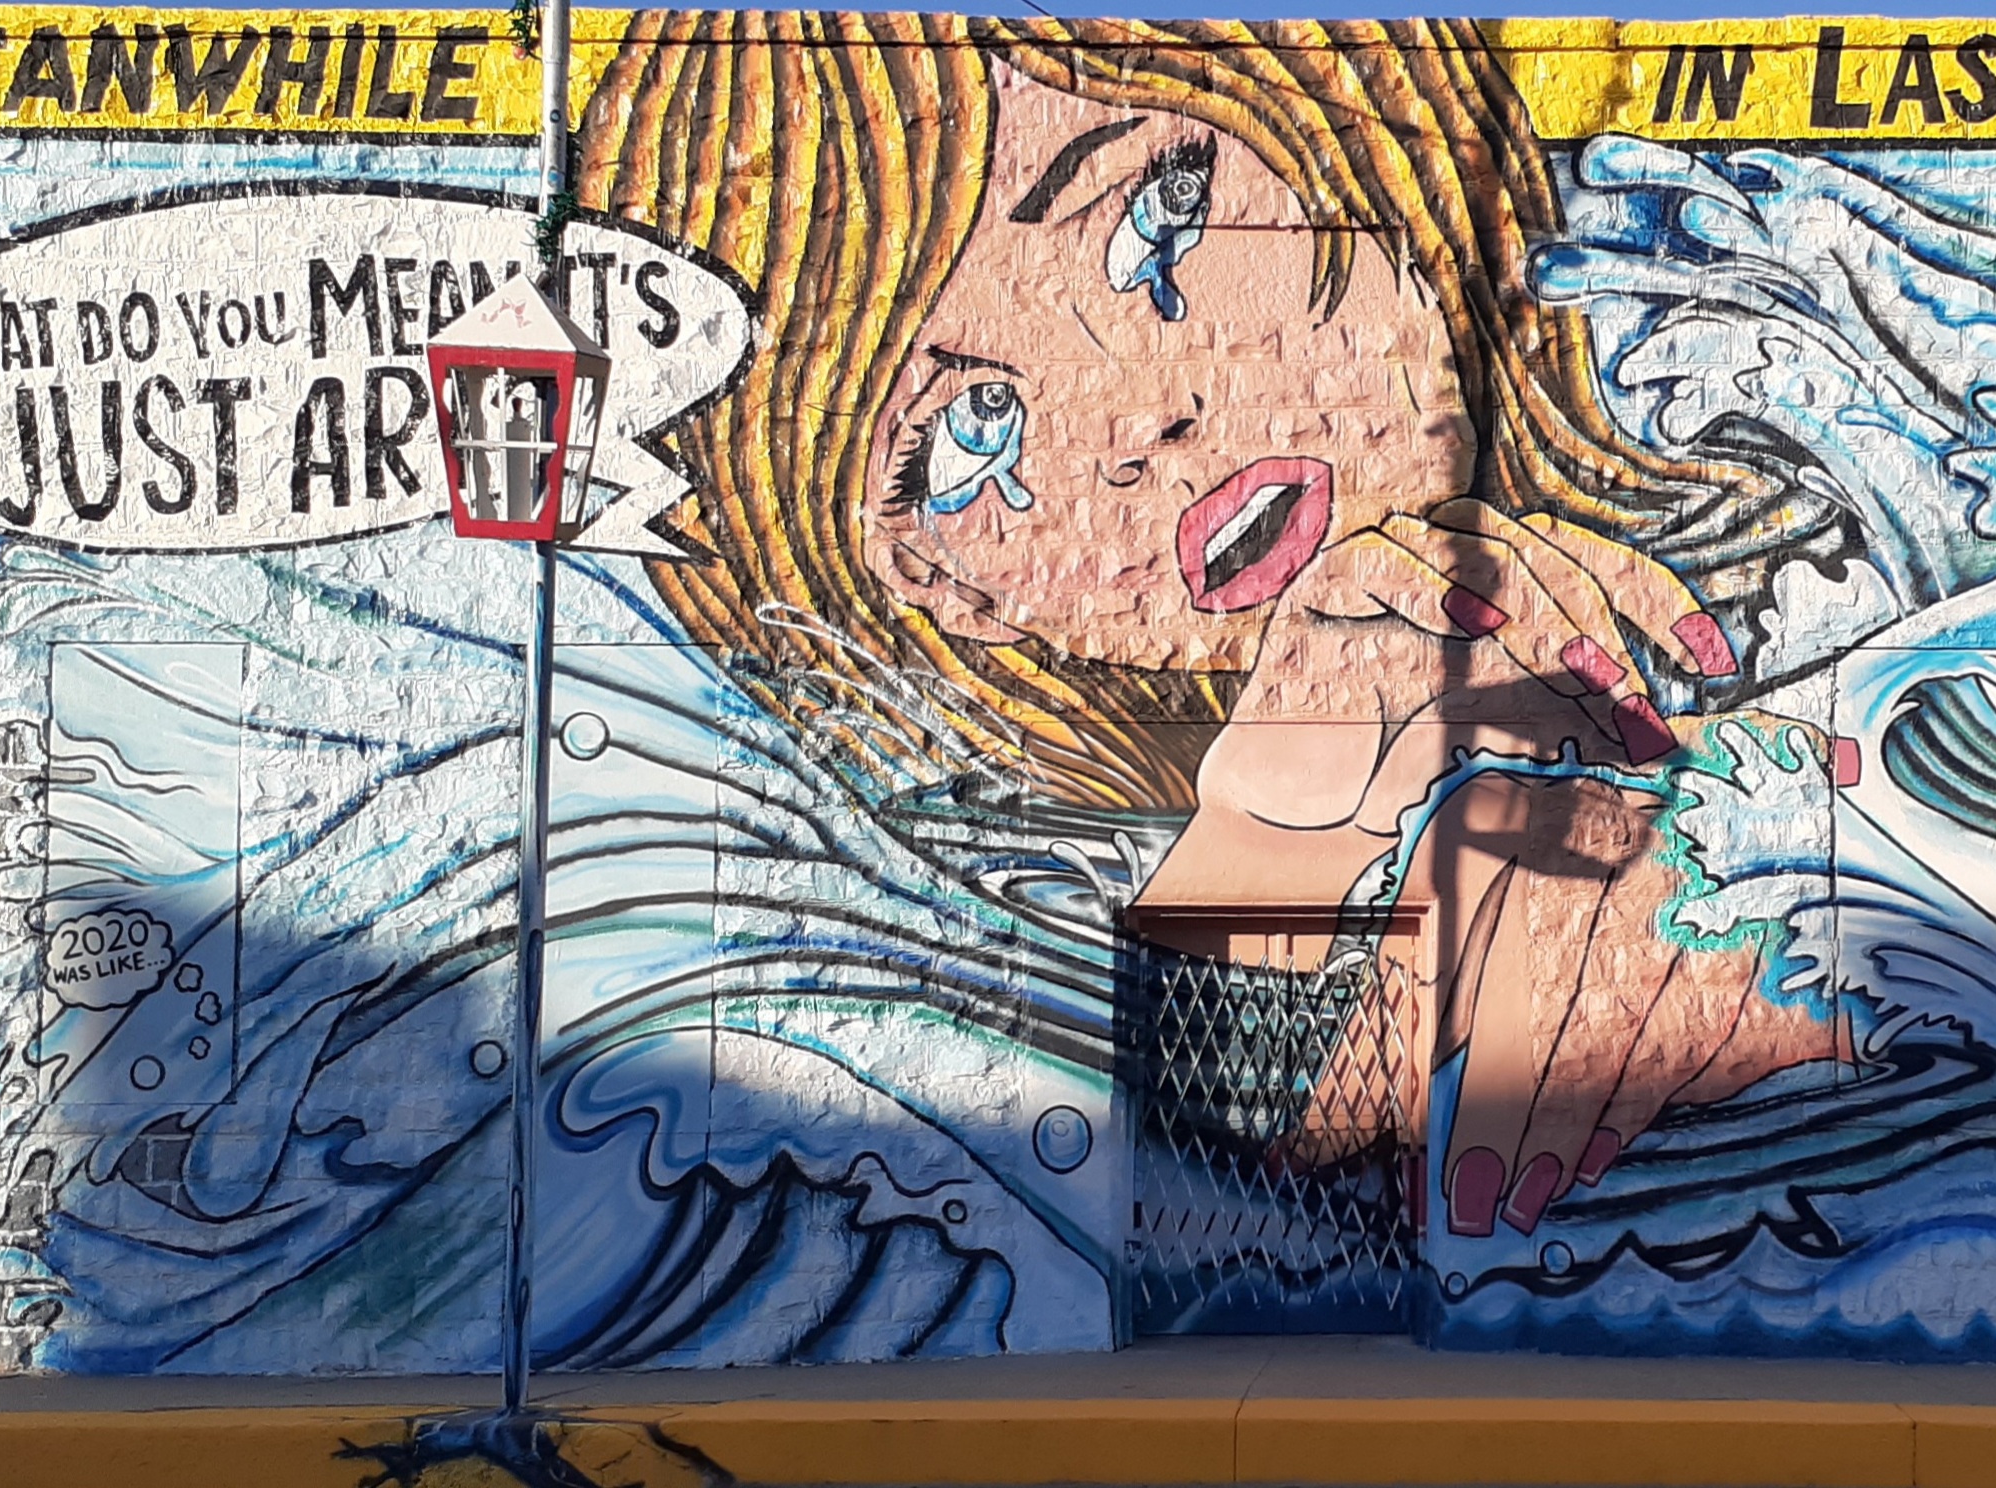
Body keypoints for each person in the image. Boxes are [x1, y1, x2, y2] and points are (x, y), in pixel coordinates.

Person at [574, 12, 1834, 1238]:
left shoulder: (1813, 544)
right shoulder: (965, 885)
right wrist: (1270, 845)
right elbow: (1189, 1235)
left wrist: (1760, 891)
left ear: (1347, 135)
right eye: (970, 431)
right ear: (936, 583)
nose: (1143, 425)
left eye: (1162, 211)